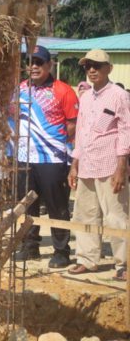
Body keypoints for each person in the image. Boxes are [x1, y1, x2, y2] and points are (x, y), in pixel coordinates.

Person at [13, 46, 79, 268]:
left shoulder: (63, 90)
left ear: (49, 65)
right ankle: (30, 246)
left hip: (53, 159)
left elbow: (72, 125)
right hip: (24, 158)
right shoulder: (20, 89)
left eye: (39, 62)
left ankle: (61, 251)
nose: (33, 67)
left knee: (57, 206)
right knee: (27, 205)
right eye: (30, 62)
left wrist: (52, 144)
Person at [68, 49, 130, 280]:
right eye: (88, 66)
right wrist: (74, 163)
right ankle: (87, 259)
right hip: (86, 164)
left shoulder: (119, 95)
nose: (92, 70)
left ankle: (123, 264)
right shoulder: (85, 98)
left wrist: (121, 167)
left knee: (116, 215)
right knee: (84, 214)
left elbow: (125, 131)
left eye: (97, 65)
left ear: (109, 68)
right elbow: (81, 133)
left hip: (109, 164)